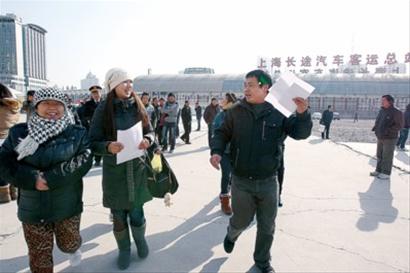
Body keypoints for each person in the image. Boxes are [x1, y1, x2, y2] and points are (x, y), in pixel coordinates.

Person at [210, 70, 312, 273]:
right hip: (241, 181)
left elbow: (300, 133)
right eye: (244, 85)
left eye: (251, 85)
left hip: (268, 181)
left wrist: (302, 114)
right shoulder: (236, 112)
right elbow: (221, 133)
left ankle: (262, 262)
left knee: (267, 226)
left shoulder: (279, 112)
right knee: (241, 220)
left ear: (266, 88)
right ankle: (232, 233)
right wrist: (217, 151)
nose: (246, 89)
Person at [0, 87, 93, 273]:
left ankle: (73, 248)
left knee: (69, 243)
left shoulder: (77, 133)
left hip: (67, 205)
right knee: (39, 258)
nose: (52, 107)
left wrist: (50, 179)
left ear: (65, 107)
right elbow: (4, 162)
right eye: (46, 103)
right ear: (36, 106)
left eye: (57, 103)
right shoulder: (19, 133)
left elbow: (84, 159)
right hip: (33, 207)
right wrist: (33, 179)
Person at [89, 68, 158, 270]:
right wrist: (108, 147)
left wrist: (148, 140)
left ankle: (141, 241)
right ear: (113, 86)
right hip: (115, 173)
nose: (128, 86)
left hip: (137, 169)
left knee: (137, 212)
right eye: (123, 82)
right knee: (118, 216)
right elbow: (92, 141)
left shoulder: (138, 105)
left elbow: (151, 131)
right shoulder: (103, 109)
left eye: (130, 82)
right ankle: (124, 250)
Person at [212, 93, 237, 215]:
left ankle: (232, 195)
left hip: (237, 151)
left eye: (224, 99)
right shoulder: (221, 115)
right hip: (225, 152)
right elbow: (216, 133)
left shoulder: (239, 114)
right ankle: (225, 199)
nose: (221, 101)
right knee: (226, 174)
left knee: (235, 175)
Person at [370, 95, 403, 180]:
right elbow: (378, 121)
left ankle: (386, 173)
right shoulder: (382, 110)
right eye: (382, 100)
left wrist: (387, 131)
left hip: (390, 138)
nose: (382, 102)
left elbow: (399, 126)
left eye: (384, 100)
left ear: (390, 102)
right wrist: (376, 129)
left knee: (387, 155)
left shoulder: (396, 112)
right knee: (379, 154)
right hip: (380, 136)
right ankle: (378, 170)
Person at [0, 83, 21, 203]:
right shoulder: (13, 106)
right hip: (12, 141)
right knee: (10, 167)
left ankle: (4, 195)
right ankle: (14, 192)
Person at [79, 85, 103, 166]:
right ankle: (90, 159)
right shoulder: (88, 104)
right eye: (93, 93)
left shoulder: (105, 103)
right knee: (91, 144)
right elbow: (83, 116)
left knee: (101, 143)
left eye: (97, 93)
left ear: (101, 93)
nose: (95, 95)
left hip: (103, 128)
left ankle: (98, 159)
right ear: (91, 95)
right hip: (91, 128)